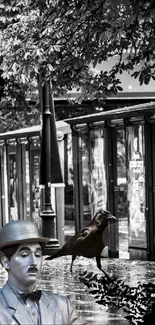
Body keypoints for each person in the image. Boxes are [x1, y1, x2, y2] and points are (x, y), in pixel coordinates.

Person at [0, 220, 89, 325]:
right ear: (6, 262)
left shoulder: (63, 306)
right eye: (24, 255)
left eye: (37, 255)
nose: (34, 262)